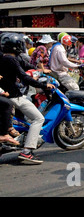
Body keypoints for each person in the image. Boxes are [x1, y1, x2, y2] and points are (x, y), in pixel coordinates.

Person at [0, 33, 55, 163]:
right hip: (13, 96)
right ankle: (27, 151)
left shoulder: (6, 58)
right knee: (38, 118)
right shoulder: (11, 59)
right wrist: (43, 85)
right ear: (18, 46)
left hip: (6, 94)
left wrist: (40, 70)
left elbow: (25, 66)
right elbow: (24, 76)